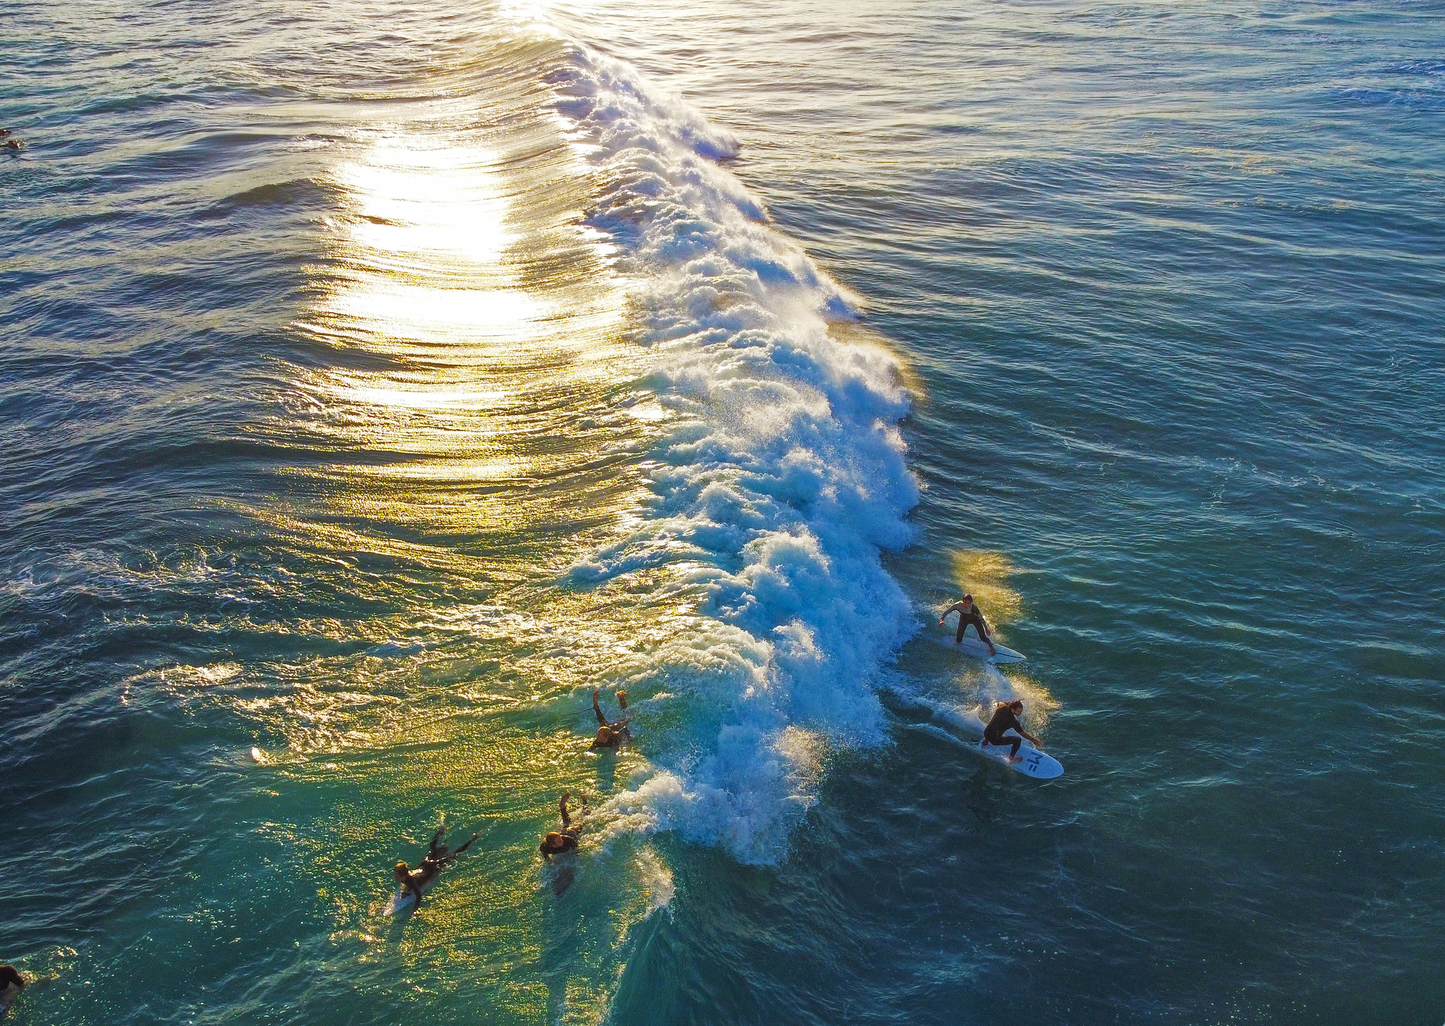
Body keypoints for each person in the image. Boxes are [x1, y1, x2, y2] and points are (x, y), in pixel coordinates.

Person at [392, 825, 481, 907]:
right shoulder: (405, 877)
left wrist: (413, 910)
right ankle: (440, 832)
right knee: (431, 848)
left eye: (396, 875)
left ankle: (472, 840)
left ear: (403, 876)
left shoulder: (412, 882)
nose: (394, 877)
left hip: (431, 867)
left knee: (453, 856)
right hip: (425, 864)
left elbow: (419, 897)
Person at [540, 790, 587, 856]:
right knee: (566, 823)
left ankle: (584, 801)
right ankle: (563, 808)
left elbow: (576, 850)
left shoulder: (568, 840)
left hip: (572, 832)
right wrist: (548, 860)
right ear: (552, 845)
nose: (562, 840)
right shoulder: (545, 847)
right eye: (559, 841)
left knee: (583, 820)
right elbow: (544, 853)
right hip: (566, 831)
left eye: (560, 838)